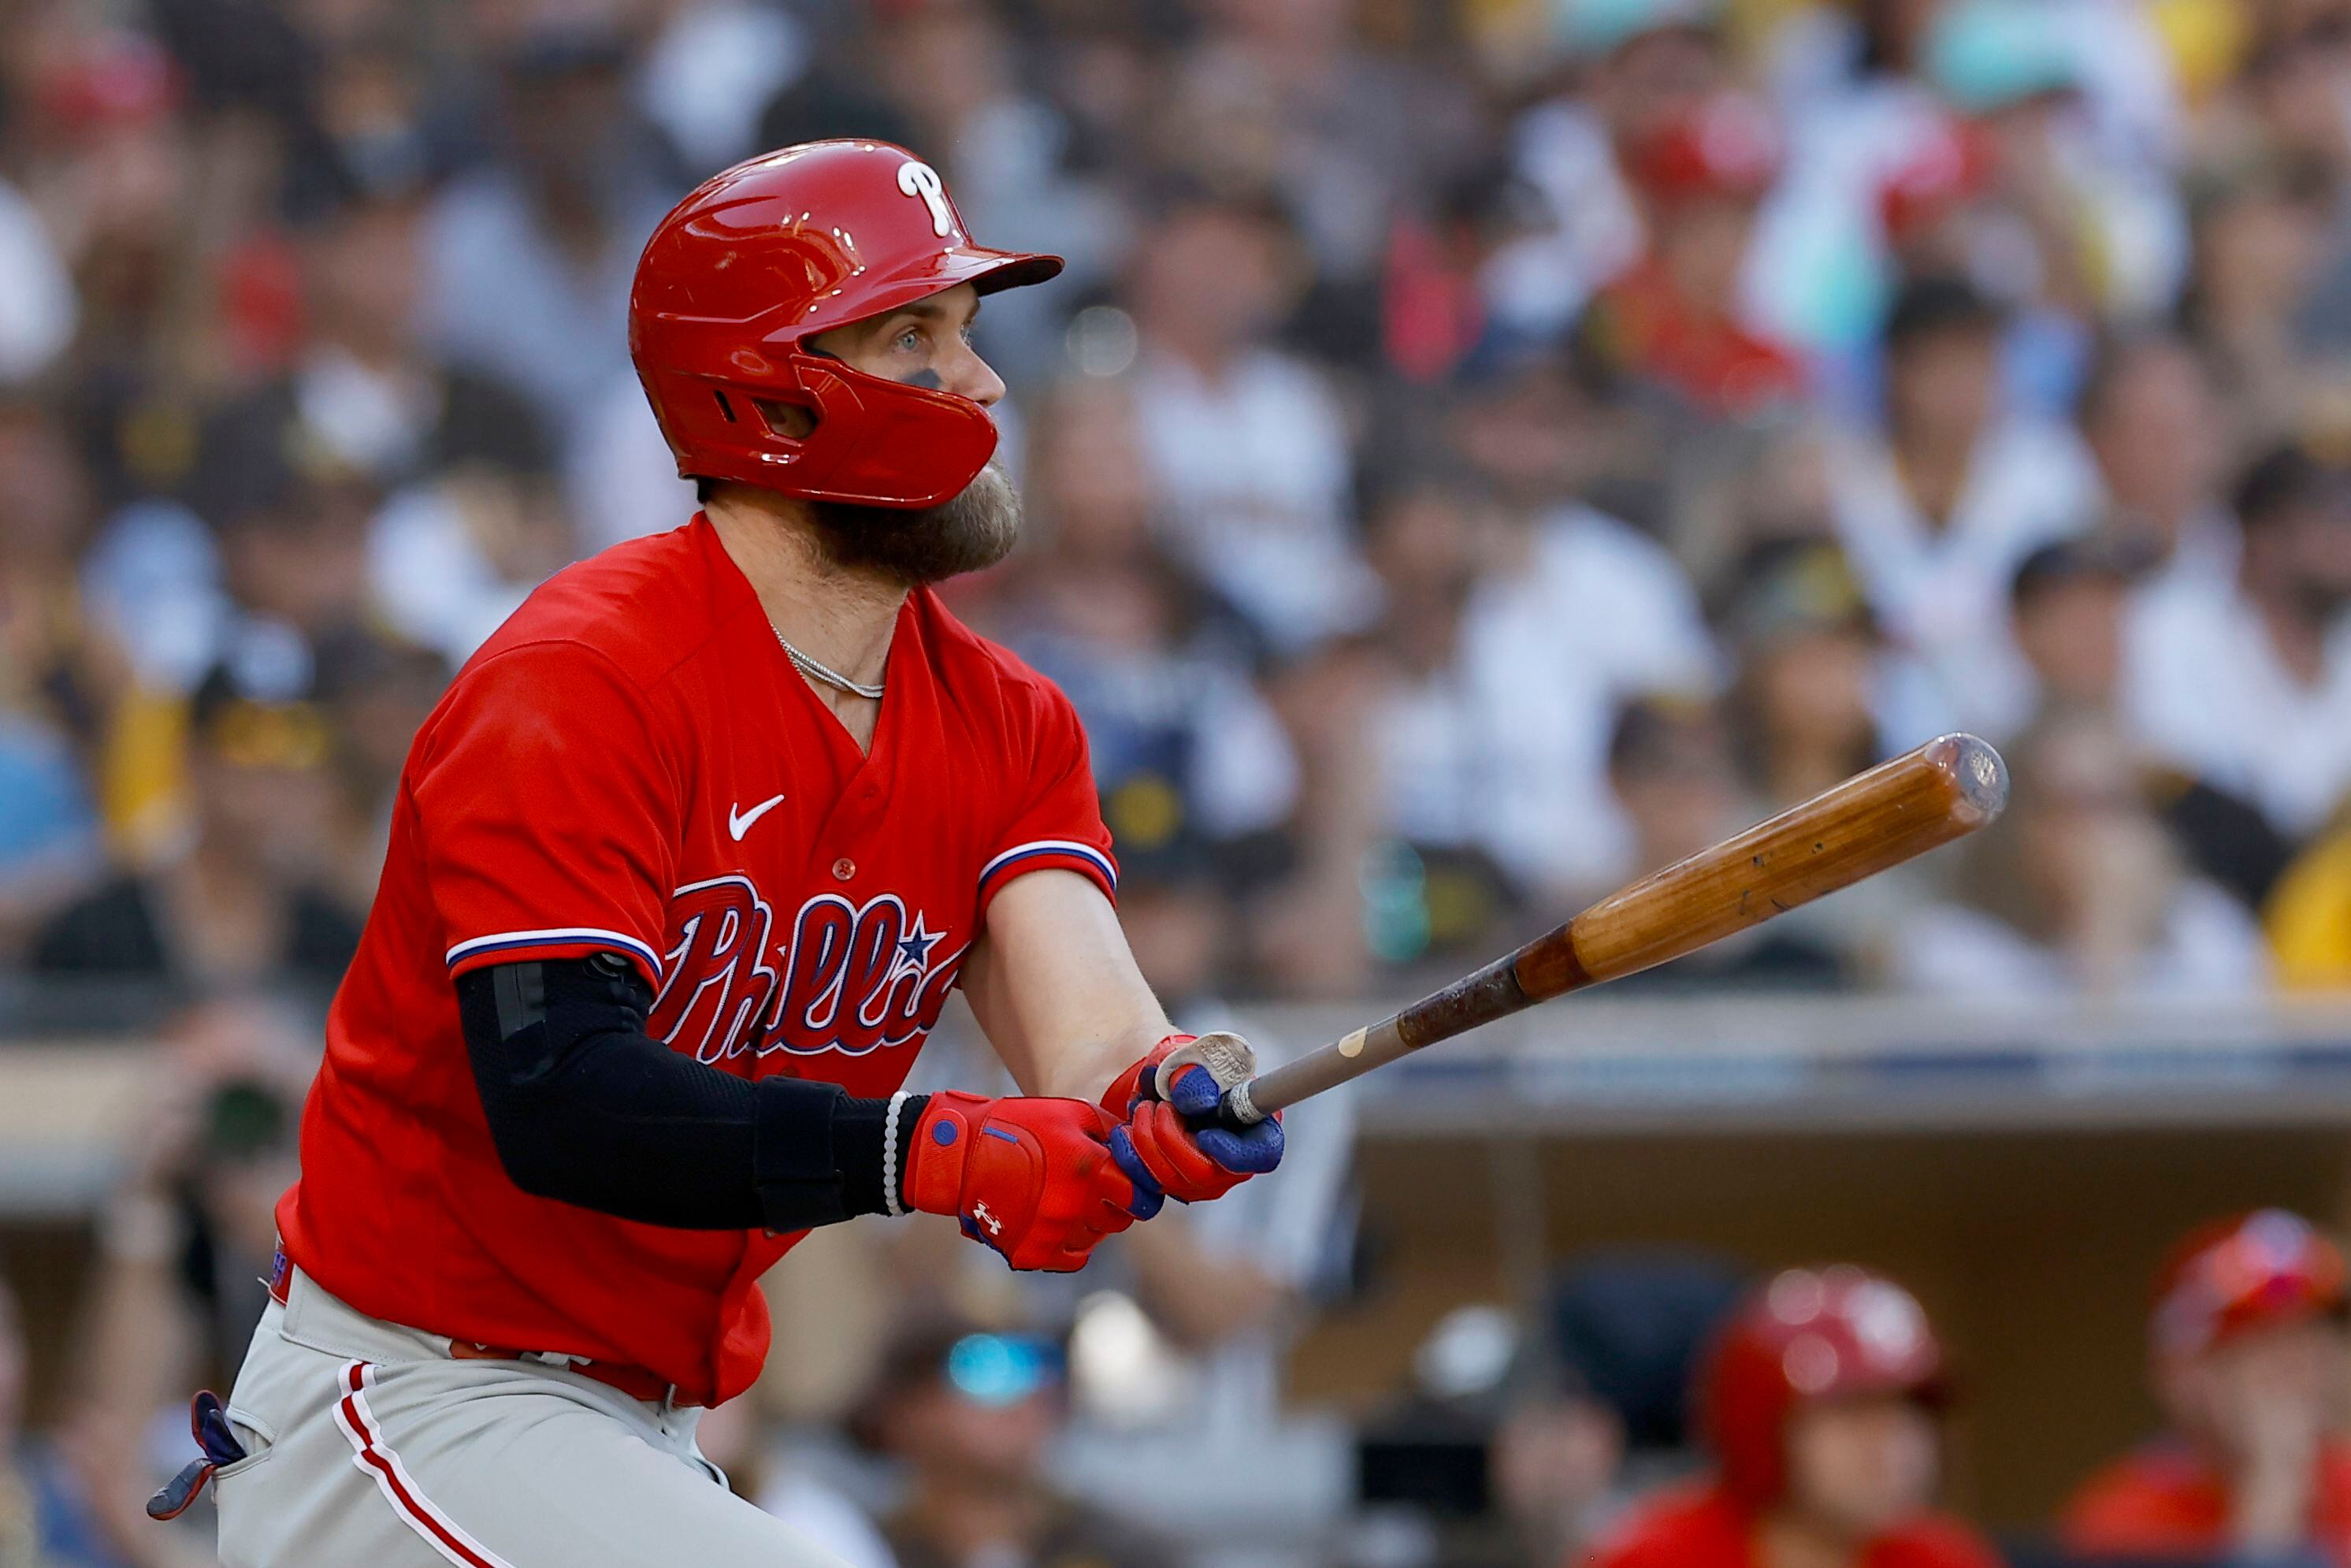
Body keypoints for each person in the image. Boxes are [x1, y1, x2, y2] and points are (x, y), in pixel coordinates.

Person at [178, 143, 1281, 1568]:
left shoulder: (1007, 721)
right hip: (413, 1396)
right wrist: (924, 1153)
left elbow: (1088, 1032)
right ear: (768, 392)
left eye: (965, 333)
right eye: (916, 337)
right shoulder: (581, 677)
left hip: (644, 1427)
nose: (986, 383)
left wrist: (1158, 1093)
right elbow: (564, 1097)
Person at [1585, 1265, 2000, 1568]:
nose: (1894, 1444)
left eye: (1910, 1408)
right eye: (1855, 1411)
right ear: (1762, 1425)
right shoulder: (1660, 1558)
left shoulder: (1943, 1559)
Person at [2061, 1210, 2351, 1567]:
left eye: (2311, 1333)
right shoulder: (2125, 1519)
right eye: (2261, 1341)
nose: (2299, 1362)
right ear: (2180, 1375)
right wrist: (2273, 1494)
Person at [862, 1317, 1179, 1568]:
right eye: (983, 1368)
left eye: (1039, 1365)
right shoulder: (854, 1548)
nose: (1024, 1395)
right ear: (905, 1411)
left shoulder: (1120, 1548)